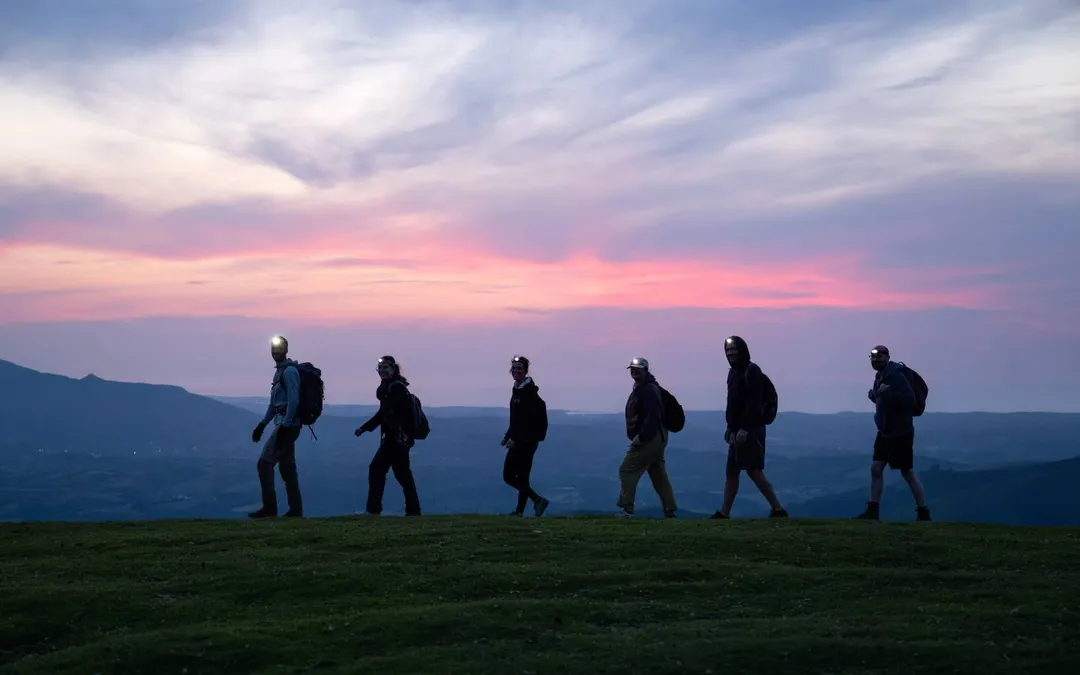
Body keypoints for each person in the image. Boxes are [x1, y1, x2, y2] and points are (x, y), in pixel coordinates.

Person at [710, 336, 788, 519]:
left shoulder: (752, 371)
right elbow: (732, 404)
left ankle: (778, 509)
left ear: (742, 350)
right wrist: (730, 428)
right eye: (728, 350)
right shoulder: (733, 373)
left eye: (733, 349)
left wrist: (744, 429)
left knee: (753, 470)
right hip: (737, 430)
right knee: (732, 471)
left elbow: (753, 402)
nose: (730, 353)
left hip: (750, 429)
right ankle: (724, 513)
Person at [854, 345, 931, 521]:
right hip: (885, 431)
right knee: (876, 468)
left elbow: (909, 400)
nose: (876, 360)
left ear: (888, 358)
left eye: (879, 357)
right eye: (873, 358)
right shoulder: (880, 377)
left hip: (901, 432)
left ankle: (923, 511)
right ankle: (873, 510)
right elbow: (885, 400)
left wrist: (884, 394)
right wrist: (875, 396)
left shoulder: (896, 376)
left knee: (907, 472)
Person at [354, 355, 422, 516]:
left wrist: (365, 428)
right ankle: (413, 511)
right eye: (380, 368)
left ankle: (373, 509)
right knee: (402, 474)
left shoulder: (395, 388)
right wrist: (365, 428)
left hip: (394, 438)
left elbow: (388, 413)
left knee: (377, 469)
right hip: (399, 438)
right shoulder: (391, 387)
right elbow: (384, 413)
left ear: (393, 369)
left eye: (385, 367)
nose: (382, 371)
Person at [249, 335, 304, 518]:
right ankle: (295, 509)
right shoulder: (280, 372)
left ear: (286, 349)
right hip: (284, 423)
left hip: (287, 425)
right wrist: (262, 424)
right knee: (287, 468)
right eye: (273, 348)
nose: (276, 351)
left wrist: (285, 425)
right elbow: (274, 405)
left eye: (279, 348)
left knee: (264, 463)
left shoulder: (289, 372)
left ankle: (270, 508)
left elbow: (294, 400)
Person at [617, 357, 678, 518]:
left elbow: (653, 415)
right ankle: (670, 510)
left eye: (638, 369)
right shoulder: (646, 387)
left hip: (650, 437)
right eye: (632, 369)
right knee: (658, 473)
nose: (634, 371)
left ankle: (626, 509)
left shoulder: (648, 389)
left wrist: (643, 437)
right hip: (658, 436)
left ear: (646, 370)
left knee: (626, 469)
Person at [501, 355, 551, 517]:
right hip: (523, 440)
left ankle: (535, 501)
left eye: (519, 368)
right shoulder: (518, 390)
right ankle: (522, 510)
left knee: (509, 476)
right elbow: (515, 419)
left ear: (525, 371)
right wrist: (507, 436)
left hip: (525, 441)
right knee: (522, 477)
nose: (516, 371)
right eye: (514, 368)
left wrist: (513, 438)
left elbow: (525, 420)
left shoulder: (527, 393)